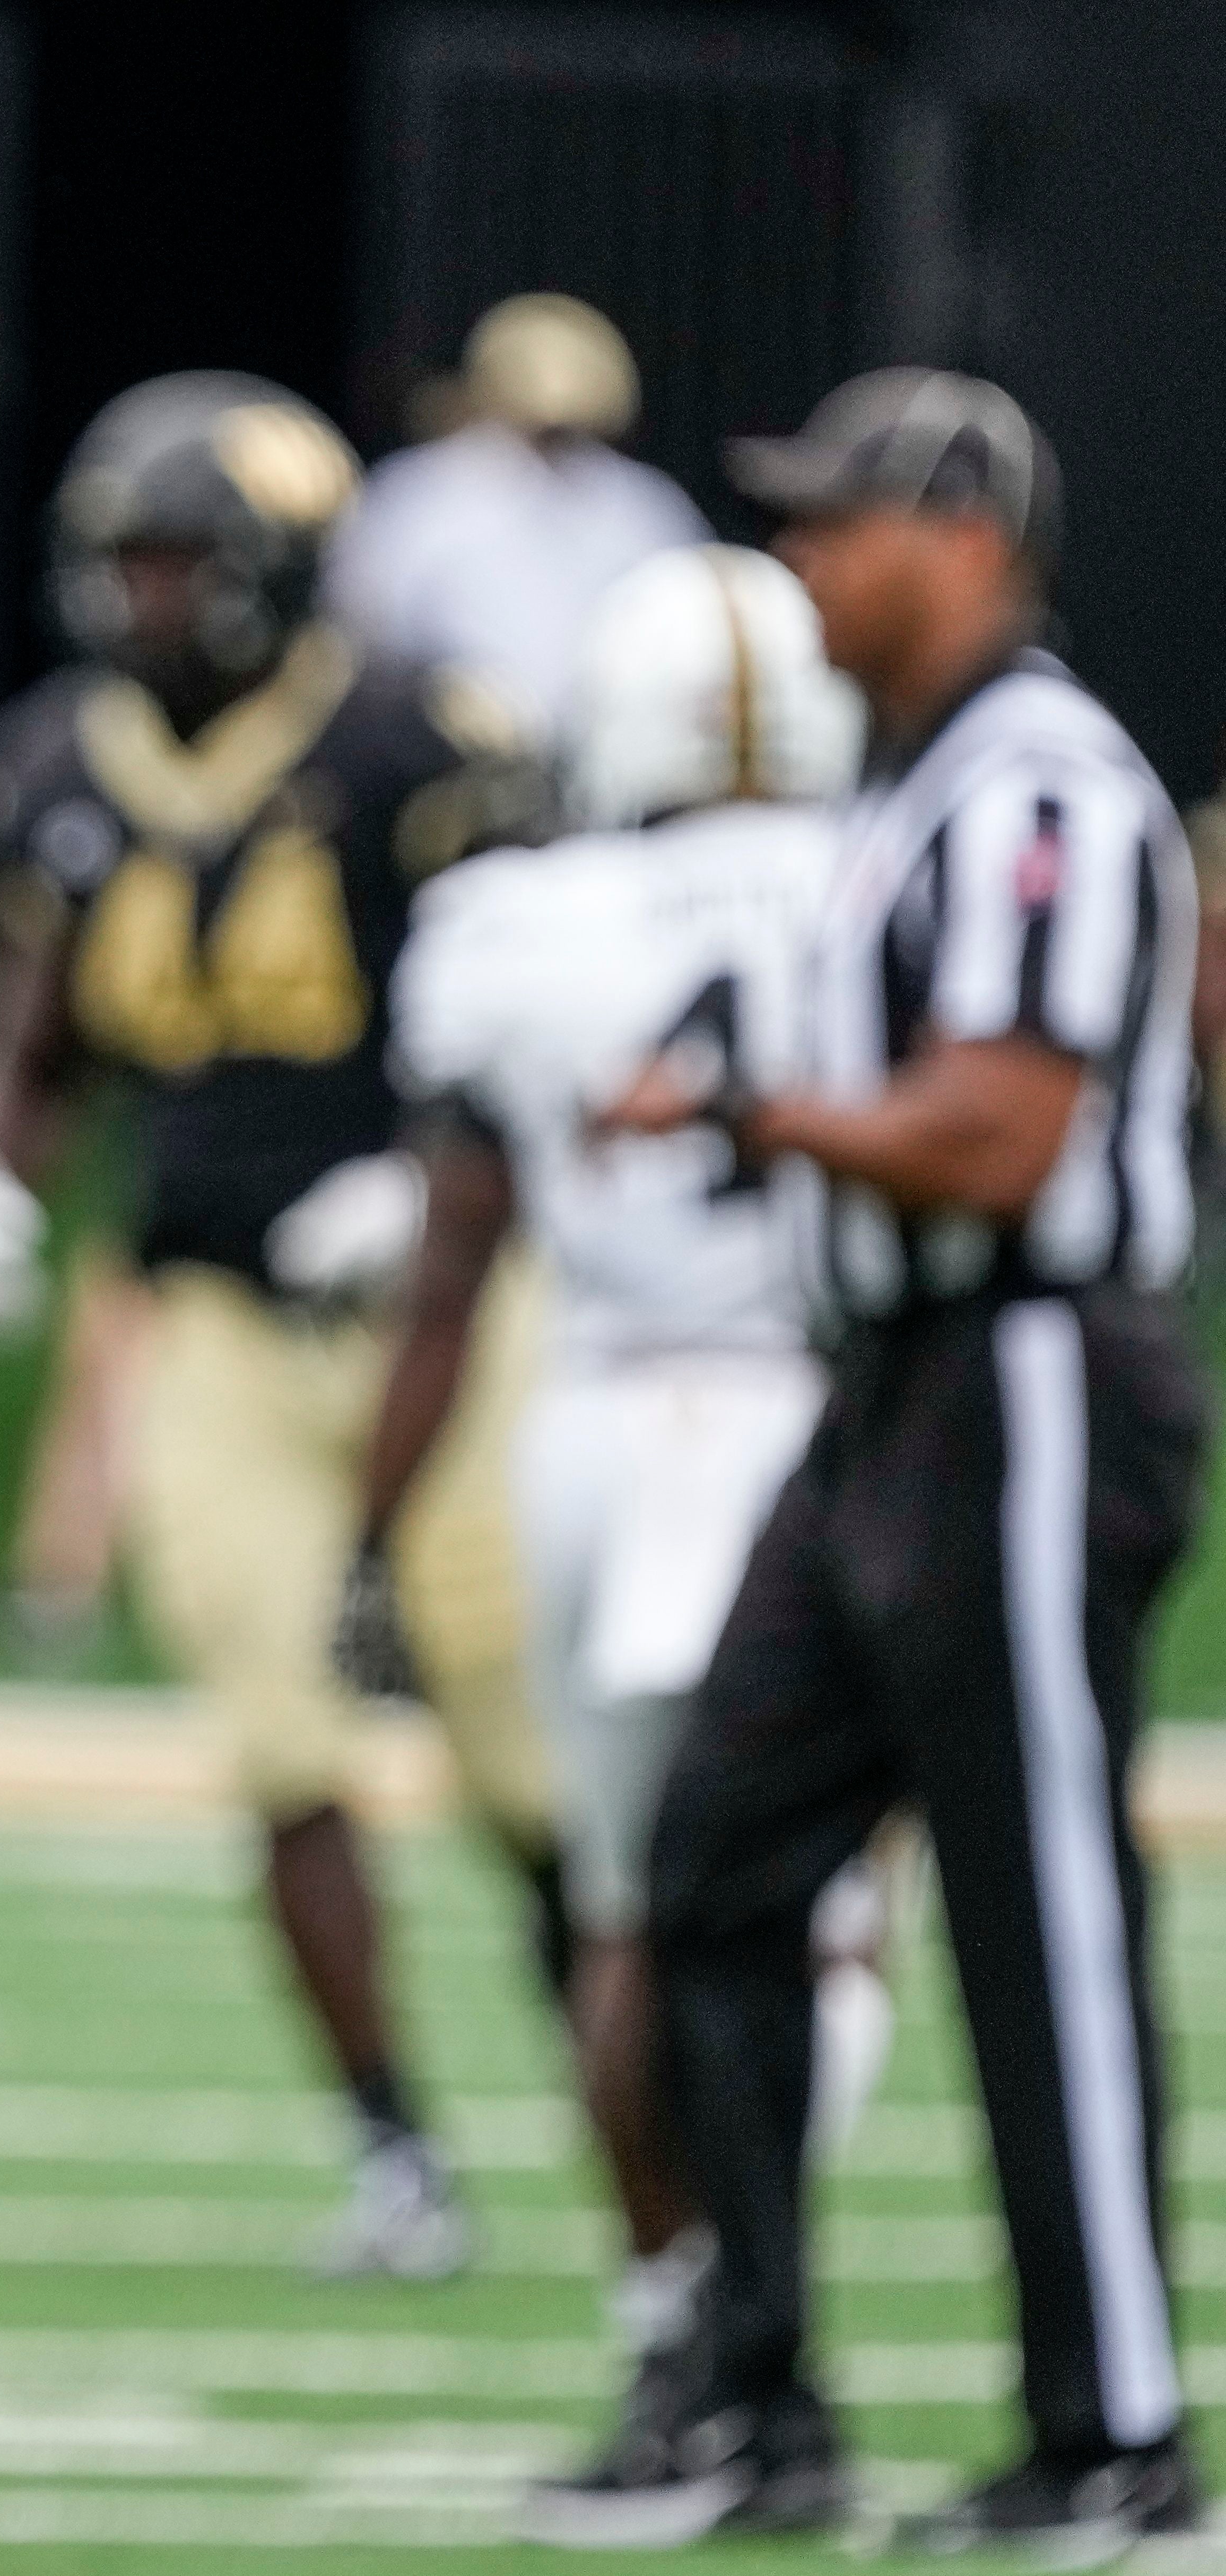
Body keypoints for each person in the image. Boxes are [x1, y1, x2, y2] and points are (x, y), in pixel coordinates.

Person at [579, 371, 1207, 2552]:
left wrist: (755, 1121)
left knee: (1034, 1907)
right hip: (888, 1387)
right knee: (712, 1862)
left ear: (954, 533)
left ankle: (1110, 2428)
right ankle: (759, 2394)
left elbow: (994, 1129)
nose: (801, 567)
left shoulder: (1032, 781)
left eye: (833, 524)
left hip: (1022, 1370)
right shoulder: (914, 786)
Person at [0, 371, 561, 2280]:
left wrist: (431, 1177)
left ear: (271, 570)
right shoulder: (56, 764)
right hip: (211, 1323)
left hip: (441, 1317)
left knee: (522, 1765)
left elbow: (534, 1013)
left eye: (177, 563)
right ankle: (390, 2151)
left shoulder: (414, 739)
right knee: (279, 1742)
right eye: (121, 561)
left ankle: (653, 2125)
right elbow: (38, 1022)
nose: (140, 601)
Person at [343, 542, 871, 2526]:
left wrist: (370, 1524)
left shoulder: (508, 920)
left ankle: (685, 2318)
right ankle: (759, 2300)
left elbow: (455, 1256)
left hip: (596, 1420)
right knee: (815, 1917)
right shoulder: (878, 864)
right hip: (826, 1406)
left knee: (633, 1909)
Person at [325, 293, 707, 744]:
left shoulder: (643, 507)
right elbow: (359, 634)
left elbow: (696, 639)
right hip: (447, 755)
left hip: (614, 755)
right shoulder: (421, 496)